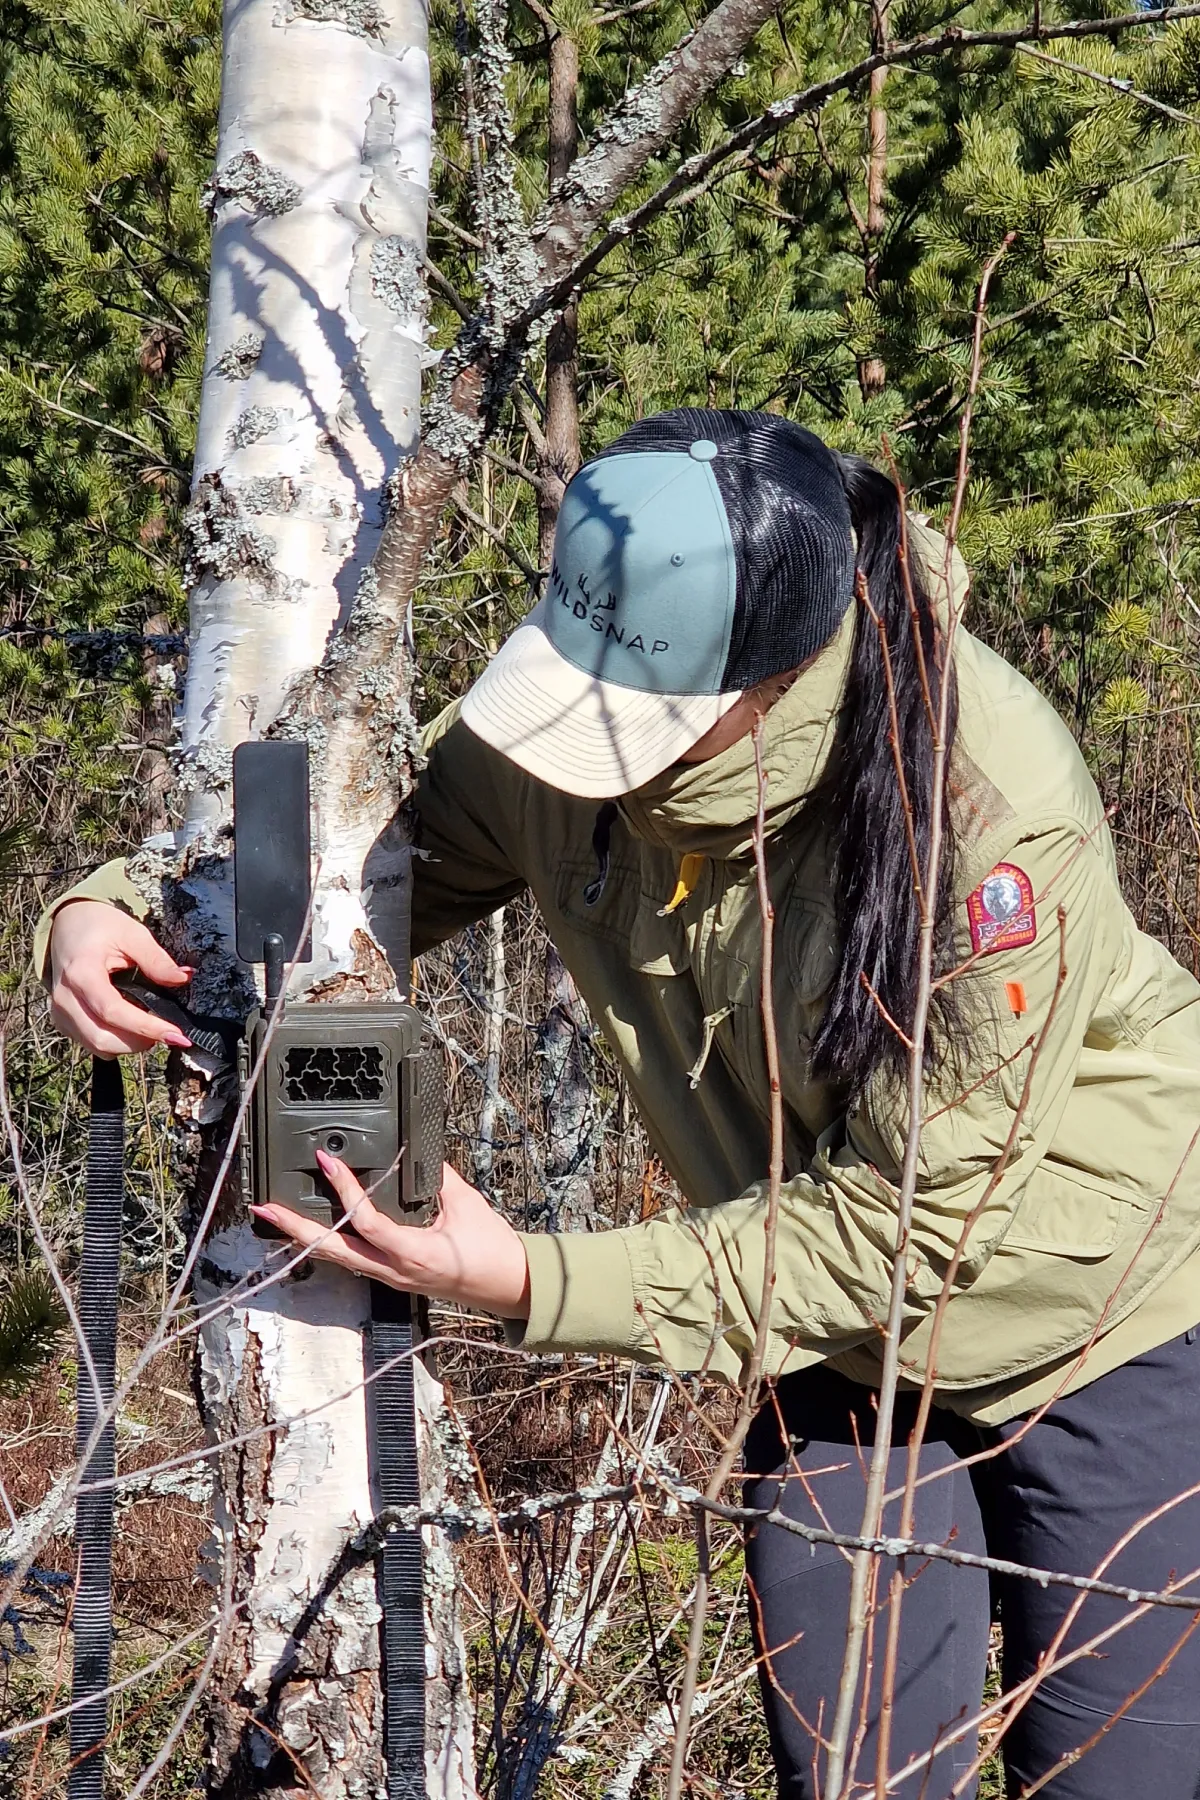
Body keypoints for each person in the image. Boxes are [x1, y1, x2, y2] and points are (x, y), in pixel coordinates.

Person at [37, 410, 1200, 1799]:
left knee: (1125, 1774)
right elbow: (369, 857)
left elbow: (912, 1236)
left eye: (627, 723)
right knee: (858, 1773)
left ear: (772, 677)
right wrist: (116, 908)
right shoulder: (575, 718)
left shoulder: (989, 813)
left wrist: (524, 1278)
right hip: (825, 1352)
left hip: (1109, 1323)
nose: (579, 746)